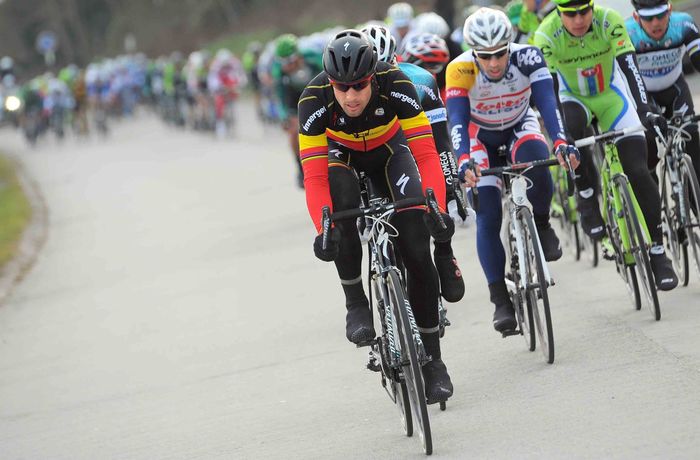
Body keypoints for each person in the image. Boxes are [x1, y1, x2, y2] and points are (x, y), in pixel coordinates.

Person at [298, 29, 454, 403]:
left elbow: (427, 156)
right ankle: (356, 303)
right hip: (341, 159)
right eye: (342, 87)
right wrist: (324, 228)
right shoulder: (313, 99)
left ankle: (433, 361)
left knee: (417, 246)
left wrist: (437, 208)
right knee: (342, 207)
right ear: (330, 83)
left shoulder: (396, 83)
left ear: (374, 76)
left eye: (360, 86)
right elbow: (315, 177)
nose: (351, 96)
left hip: (390, 152)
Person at [446, 8, 580, 332]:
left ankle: (543, 223)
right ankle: (500, 300)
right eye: (486, 56)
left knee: (538, 159)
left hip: (520, 123)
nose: (494, 62)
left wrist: (561, 140)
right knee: (489, 214)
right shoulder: (460, 68)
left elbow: (548, 103)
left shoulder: (529, 57)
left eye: (500, 53)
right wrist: (463, 159)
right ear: (474, 53)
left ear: (510, 45)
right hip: (480, 136)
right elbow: (458, 121)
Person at [534, 0, 679, 290]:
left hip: (612, 96)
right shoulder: (546, 35)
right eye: (570, 14)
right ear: (559, 14)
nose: (578, 20)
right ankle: (587, 192)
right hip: (571, 99)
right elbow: (548, 92)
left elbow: (630, 68)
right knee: (572, 133)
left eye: (584, 12)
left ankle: (659, 252)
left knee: (638, 170)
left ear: (592, 7)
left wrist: (644, 108)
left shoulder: (609, 20)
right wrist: (560, 136)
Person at [363, 24, 469, 304]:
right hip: (377, 156)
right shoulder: (354, 89)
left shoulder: (420, 80)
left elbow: (441, 142)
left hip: (416, 151)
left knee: (435, 206)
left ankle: (444, 253)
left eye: (388, 66)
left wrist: (452, 187)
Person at [625, 0, 700, 181]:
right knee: (649, 142)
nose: (656, 23)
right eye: (648, 18)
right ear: (636, 17)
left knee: (691, 134)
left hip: (675, 89)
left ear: (670, 10)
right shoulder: (628, 33)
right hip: (645, 95)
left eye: (661, 15)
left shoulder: (683, 24)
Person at [272, 34, 323, 188]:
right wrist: (284, 117)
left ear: (298, 56)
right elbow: (281, 100)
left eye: (289, 61)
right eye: (282, 62)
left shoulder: (313, 58)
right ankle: (300, 166)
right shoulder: (280, 72)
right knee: (294, 131)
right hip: (294, 99)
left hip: (317, 93)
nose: (287, 66)